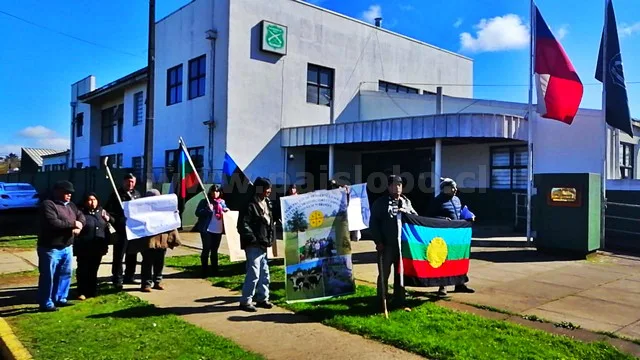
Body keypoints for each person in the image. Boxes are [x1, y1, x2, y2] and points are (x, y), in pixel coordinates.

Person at [369, 175, 417, 308]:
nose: (397, 188)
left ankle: (399, 298)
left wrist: (406, 212)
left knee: (400, 273)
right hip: (386, 245)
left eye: (399, 185)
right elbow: (373, 224)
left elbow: (416, 218)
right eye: (394, 185)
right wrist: (378, 241)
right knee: (384, 273)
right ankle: (381, 298)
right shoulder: (381, 203)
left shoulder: (406, 202)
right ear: (388, 187)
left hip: (402, 246)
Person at [37, 180, 85, 312]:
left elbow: (81, 217)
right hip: (50, 248)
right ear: (57, 191)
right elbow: (54, 223)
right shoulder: (48, 205)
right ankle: (46, 302)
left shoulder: (71, 205)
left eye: (70, 193)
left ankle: (60, 298)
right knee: (48, 276)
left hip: (67, 246)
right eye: (66, 192)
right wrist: (73, 224)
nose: (69, 195)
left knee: (65, 274)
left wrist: (79, 225)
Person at [427, 177, 475, 296]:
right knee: (445, 261)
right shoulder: (437, 201)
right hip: (444, 236)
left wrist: (468, 216)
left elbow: (460, 213)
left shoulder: (457, 199)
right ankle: (442, 286)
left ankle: (460, 284)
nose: (455, 189)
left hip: (457, 236)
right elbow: (429, 216)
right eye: (452, 187)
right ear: (445, 189)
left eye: (455, 187)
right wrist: (443, 219)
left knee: (458, 260)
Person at [127, 189, 182, 292]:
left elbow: (171, 221)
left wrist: (174, 214)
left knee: (159, 262)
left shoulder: (164, 209)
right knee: (147, 262)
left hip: (162, 239)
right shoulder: (142, 210)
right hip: (148, 241)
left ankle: (158, 281)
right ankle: (146, 284)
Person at [237, 177, 275, 312]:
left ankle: (262, 298)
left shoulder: (268, 203)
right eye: (266, 188)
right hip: (253, 244)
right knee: (253, 273)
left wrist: (270, 239)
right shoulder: (249, 204)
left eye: (269, 188)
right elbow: (243, 225)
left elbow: (270, 223)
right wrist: (253, 239)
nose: (269, 191)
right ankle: (246, 301)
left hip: (264, 244)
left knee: (265, 273)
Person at [105, 173, 142, 290]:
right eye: (128, 181)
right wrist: (115, 221)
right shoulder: (116, 195)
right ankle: (117, 279)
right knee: (119, 256)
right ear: (123, 182)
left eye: (132, 181)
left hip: (134, 230)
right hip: (121, 229)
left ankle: (129, 276)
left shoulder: (137, 194)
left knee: (132, 254)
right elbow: (109, 212)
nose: (130, 184)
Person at [74, 192, 113, 300]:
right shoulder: (80, 212)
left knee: (93, 269)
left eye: (94, 200)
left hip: (98, 246)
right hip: (84, 246)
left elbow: (112, 222)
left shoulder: (101, 211)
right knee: (83, 269)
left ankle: (92, 290)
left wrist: (108, 218)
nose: (92, 202)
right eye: (90, 200)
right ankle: (81, 291)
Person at [194, 184, 229, 278]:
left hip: (218, 229)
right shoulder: (205, 201)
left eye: (217, 191)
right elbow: (197, 213)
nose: (215, 193)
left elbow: (225, 211)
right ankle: (204, 270)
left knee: (214, 250)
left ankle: (215, 270)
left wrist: (226, 210)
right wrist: (207, 210)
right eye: (213, 191)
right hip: (207, 229)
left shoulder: (222, 202)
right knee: (206, 249)